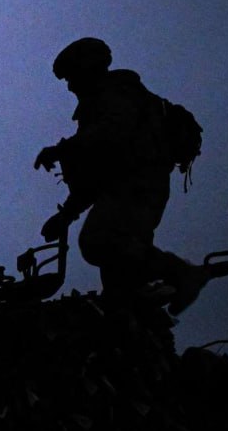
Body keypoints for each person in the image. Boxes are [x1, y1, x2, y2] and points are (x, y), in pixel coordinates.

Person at [33, 37, 208, 314]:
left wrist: (63, 150)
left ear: (87, 69)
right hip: (127, 188)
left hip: (138, 187)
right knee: (119, 281)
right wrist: (66, 215)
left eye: (71, 77)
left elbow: (112, 134)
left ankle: (180, 273)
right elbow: (95, 176)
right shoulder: (101, 105)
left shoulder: (118, 96)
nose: (70, 86)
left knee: (99, 242)